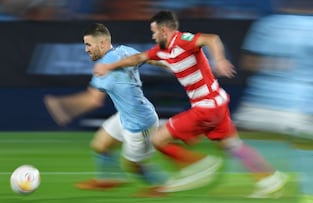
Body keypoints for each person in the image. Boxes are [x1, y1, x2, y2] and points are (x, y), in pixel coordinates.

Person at [93, 10, 287, 197]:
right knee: (232, 146)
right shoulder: (161, 51)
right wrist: (109, 66)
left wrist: (219, 60)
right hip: (216, 104)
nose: (152, 36)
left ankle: (198, 166)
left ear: (164, 31)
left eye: (154, 32)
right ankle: (270, 179)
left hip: (207, 107)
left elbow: (211, 38)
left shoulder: (183, 40)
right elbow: (138, 58)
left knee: (158, 139)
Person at [232, 1, 313, 202]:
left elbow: (249, 62)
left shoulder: (269, 25)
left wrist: (280, 63)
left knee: (251, 184)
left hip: (266, 109)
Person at [45, 23, 166, 195]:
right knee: (100, 144)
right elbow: (149, 57)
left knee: (133, 165)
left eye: (88, 44)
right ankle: (107, 179)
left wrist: (63, 105)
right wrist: (171, 65)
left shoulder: (105, 65)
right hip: (127, 115)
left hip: (140, 123)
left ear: (102, 43)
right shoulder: (124, 50)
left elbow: (93, 100)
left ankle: (161, 186)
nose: (86, 49)